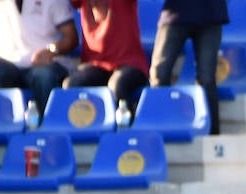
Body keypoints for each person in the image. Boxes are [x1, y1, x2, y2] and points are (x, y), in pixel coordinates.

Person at [0, 0, 78, 120]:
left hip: (44, 66)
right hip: (7, 65)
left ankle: (47, 130)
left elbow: (71, 37)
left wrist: (51, 51)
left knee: (43, 75)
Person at [149, 0, 229, 135]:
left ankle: (212, 137)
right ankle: (160, 129)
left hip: (211, 12)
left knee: (207, 78)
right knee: (159, 73)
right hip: (176, 10)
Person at [68, 0, 150, 113]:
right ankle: (85, 128)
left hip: (129, 63)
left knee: (117, 85)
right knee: (72, 84)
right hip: (95, 65)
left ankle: (127, 125)